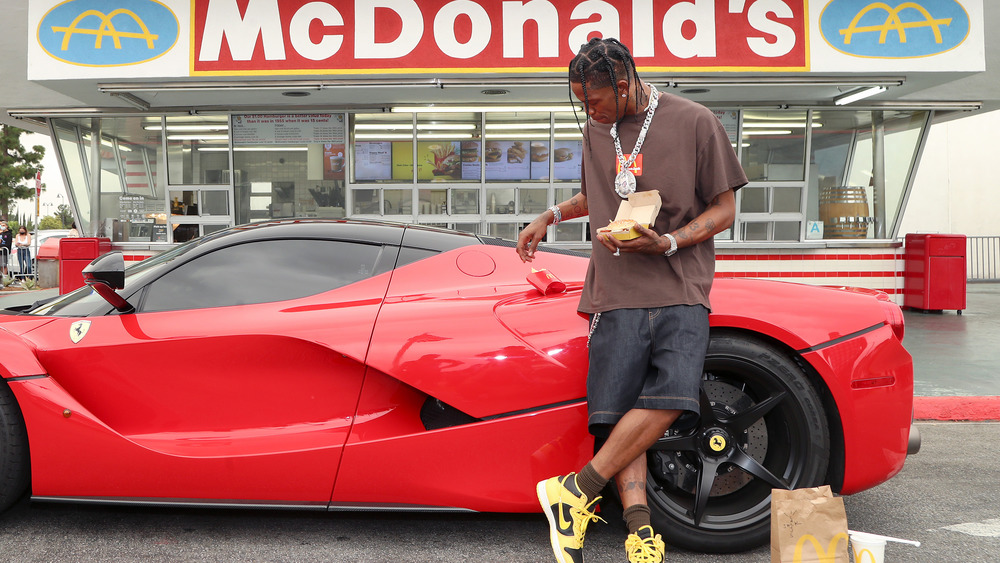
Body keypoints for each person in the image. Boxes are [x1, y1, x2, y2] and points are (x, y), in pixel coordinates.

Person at [516, 37, 747, 563]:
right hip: (614, 290)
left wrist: (667, 241)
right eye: (580, 100)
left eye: (593, 99)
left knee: (673, 397)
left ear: (623, 85)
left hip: (681, 284)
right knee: (617, 411)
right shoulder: (596, 131)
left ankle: (575, 490)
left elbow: (724, 208)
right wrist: (548, 216)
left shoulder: (695, 120)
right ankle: (640, 531)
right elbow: (595, 196)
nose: (587, 110)